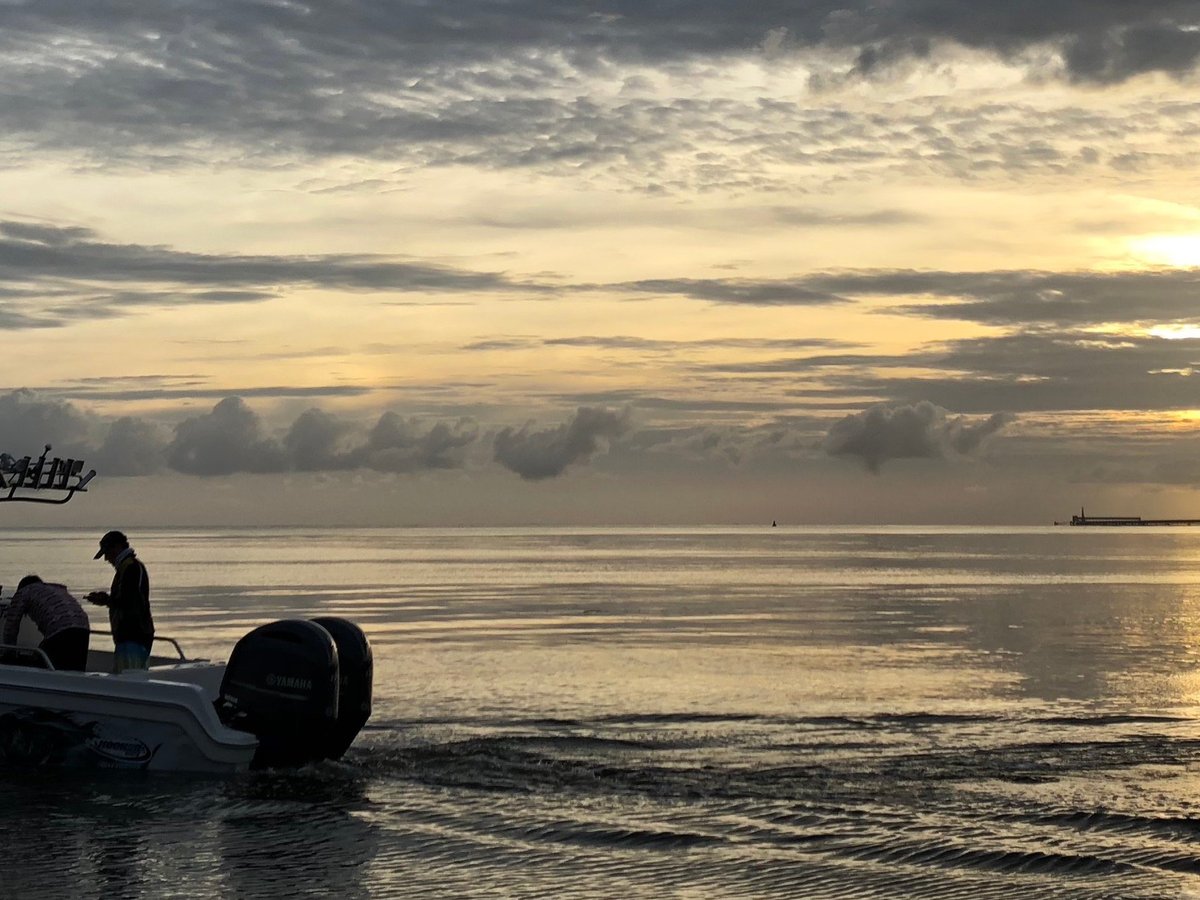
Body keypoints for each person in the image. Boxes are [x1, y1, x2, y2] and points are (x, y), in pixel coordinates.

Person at [86, 530, 155, 673]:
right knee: (131, 676)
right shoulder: (129, 567)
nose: (106, 558)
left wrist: (105, 600)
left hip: (133, 635)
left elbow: (128, 601)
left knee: (129, 678)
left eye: (107, 552)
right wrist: (106, 600)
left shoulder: (130, 568)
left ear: (117, 547)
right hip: (134, 635)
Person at [1, 575, 91, 671]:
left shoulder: (23, 593)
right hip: (83, 628)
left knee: (42, 665)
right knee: (75, 669)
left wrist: (9, 652)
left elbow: (11, 626)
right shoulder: (57, 590)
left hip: (60, 630)